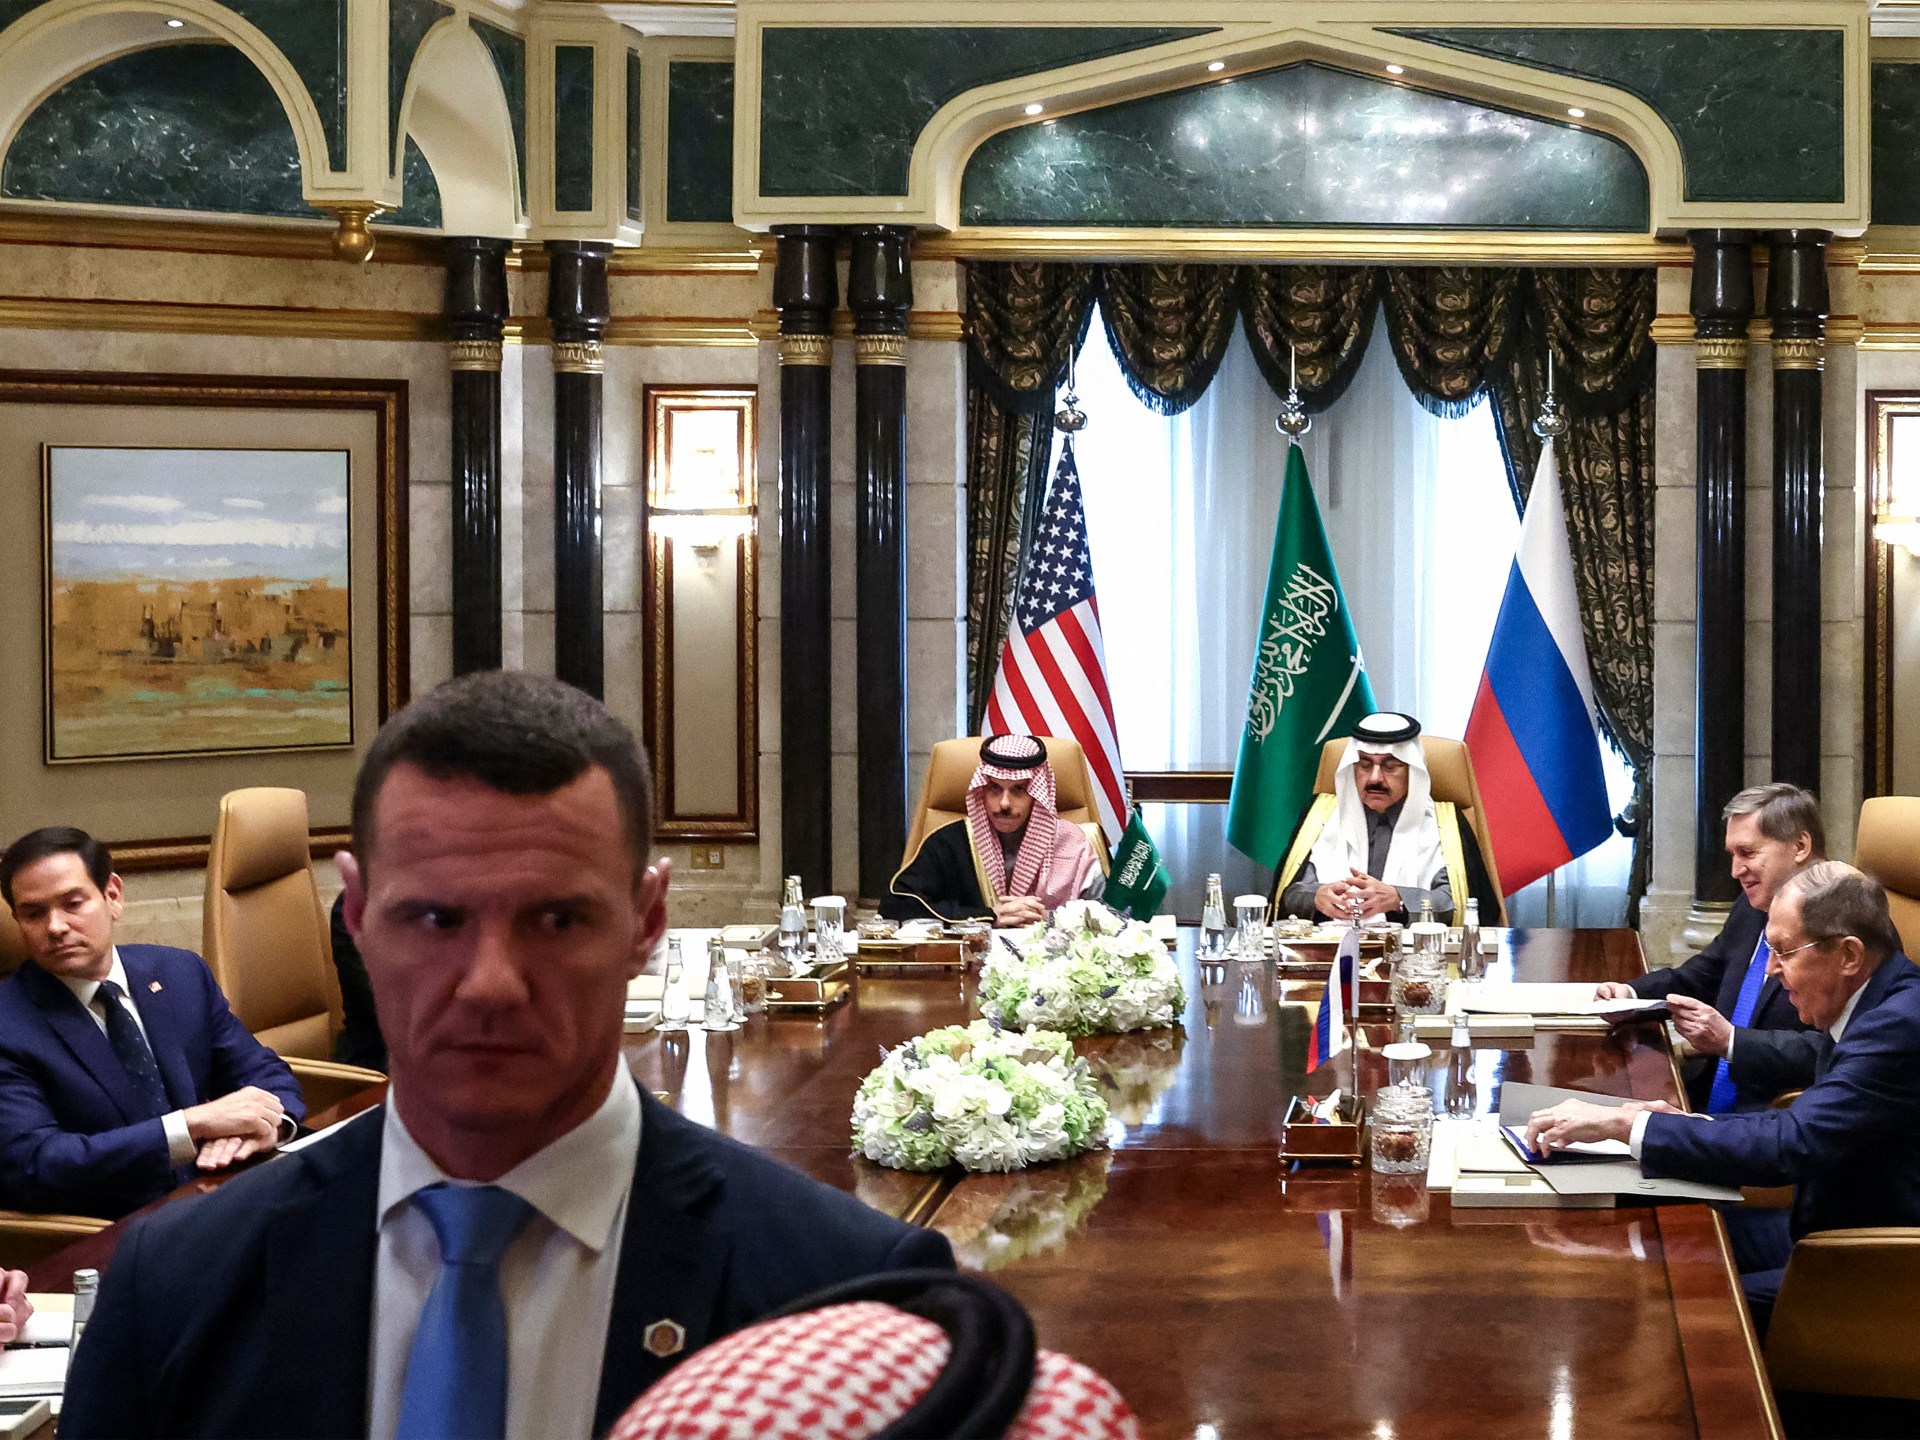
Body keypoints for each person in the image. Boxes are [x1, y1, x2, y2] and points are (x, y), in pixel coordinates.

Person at [62, 671, 953, 1440]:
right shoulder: (172, 1288)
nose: (491, 983)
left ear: (647, 921)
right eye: (435, 918)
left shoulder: (857, 1298)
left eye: (557, 919)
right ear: (357, 916)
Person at [1526, 862, 1920, 1336]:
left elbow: (1791, 1142)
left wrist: (1628, 1126)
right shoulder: (1873, 1000)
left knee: (1674, 1304)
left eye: (1784, 951)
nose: (1771, 969)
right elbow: (1800, 1121)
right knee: (1645, 1240)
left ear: (1849, 955)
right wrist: (1671, 1122)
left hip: (1880, 1262)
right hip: (1822, 1222)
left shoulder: (1899, 1023)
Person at [0, 827, 305, 1219]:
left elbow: (263, 1071)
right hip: (117, 1226)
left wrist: (271, 1126)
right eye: (33, 914)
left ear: (113, 895)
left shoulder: (179, 972)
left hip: (222, 1193)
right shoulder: (9, 1023)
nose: (56, 927)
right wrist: (188, 1126)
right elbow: (37, 1163)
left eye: (73, 904)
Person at [1596, 783, 1824, 1112]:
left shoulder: (1842, 928)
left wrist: (1731, 1040)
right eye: (1732, 855)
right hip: (1705, 1101)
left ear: (1800, 846)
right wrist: (1629, 997)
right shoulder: (1751, 909)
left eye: (1748, 853)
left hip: (1770, 1119)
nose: (1735, 871)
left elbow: (1836, 1051)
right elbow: (1701, 976)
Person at [1272, 712, 1499, 925]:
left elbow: (1460, 903)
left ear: (1411, 770)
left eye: (1390, 767)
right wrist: (1316, 897)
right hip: (1332, 948)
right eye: (1364, 764)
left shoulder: (1445, 824)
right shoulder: (1321, 815)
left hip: (1415, 950)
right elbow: (1288, 896)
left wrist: (1399, 898)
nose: (1375, 778)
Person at [884, 735, 1105, 927]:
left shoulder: (1073, 845)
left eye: (1018, 790)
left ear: (1037, 795)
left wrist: (1049, 919)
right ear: (982, 789)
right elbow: (895, 907)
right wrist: (986, 916)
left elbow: (1113, 915)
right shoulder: (950, 842)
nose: (1004, 803)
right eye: (995, 788)